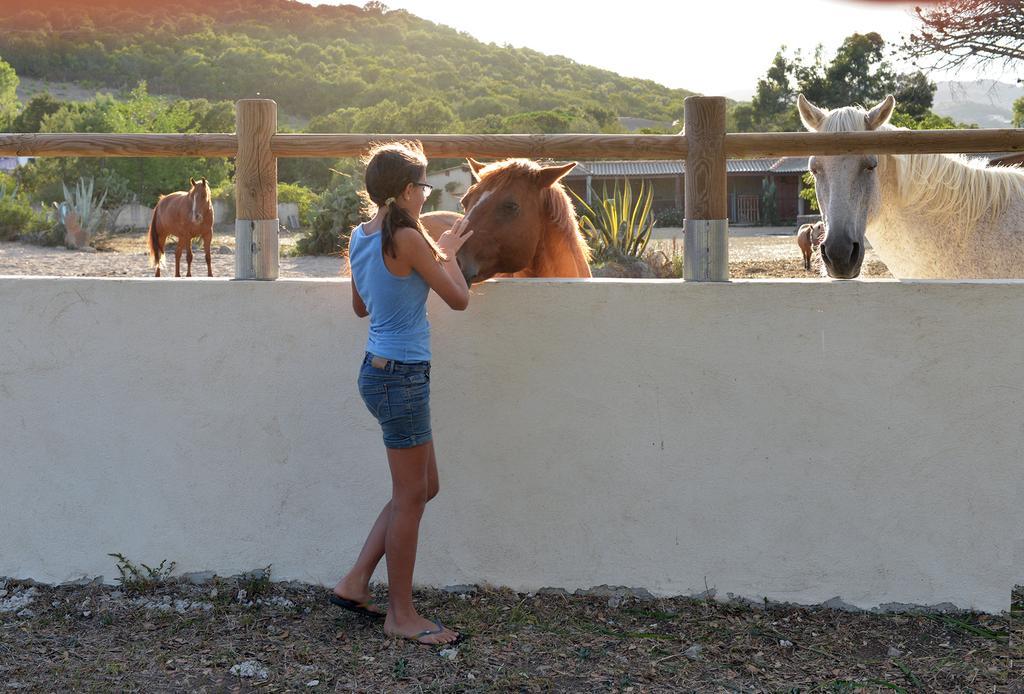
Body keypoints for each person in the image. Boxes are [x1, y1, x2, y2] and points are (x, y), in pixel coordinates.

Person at [330, 140, 473, 646]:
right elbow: (458, 299)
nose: (425, 193)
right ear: (410, 191)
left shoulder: (360, 236)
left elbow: (360, 307)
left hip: (377, 370)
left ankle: (353, 583)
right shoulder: (409, 237)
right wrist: (450, 254)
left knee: (422, 487)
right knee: (412, 496)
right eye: (425, 185)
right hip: (403, 378)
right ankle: (402, 615)